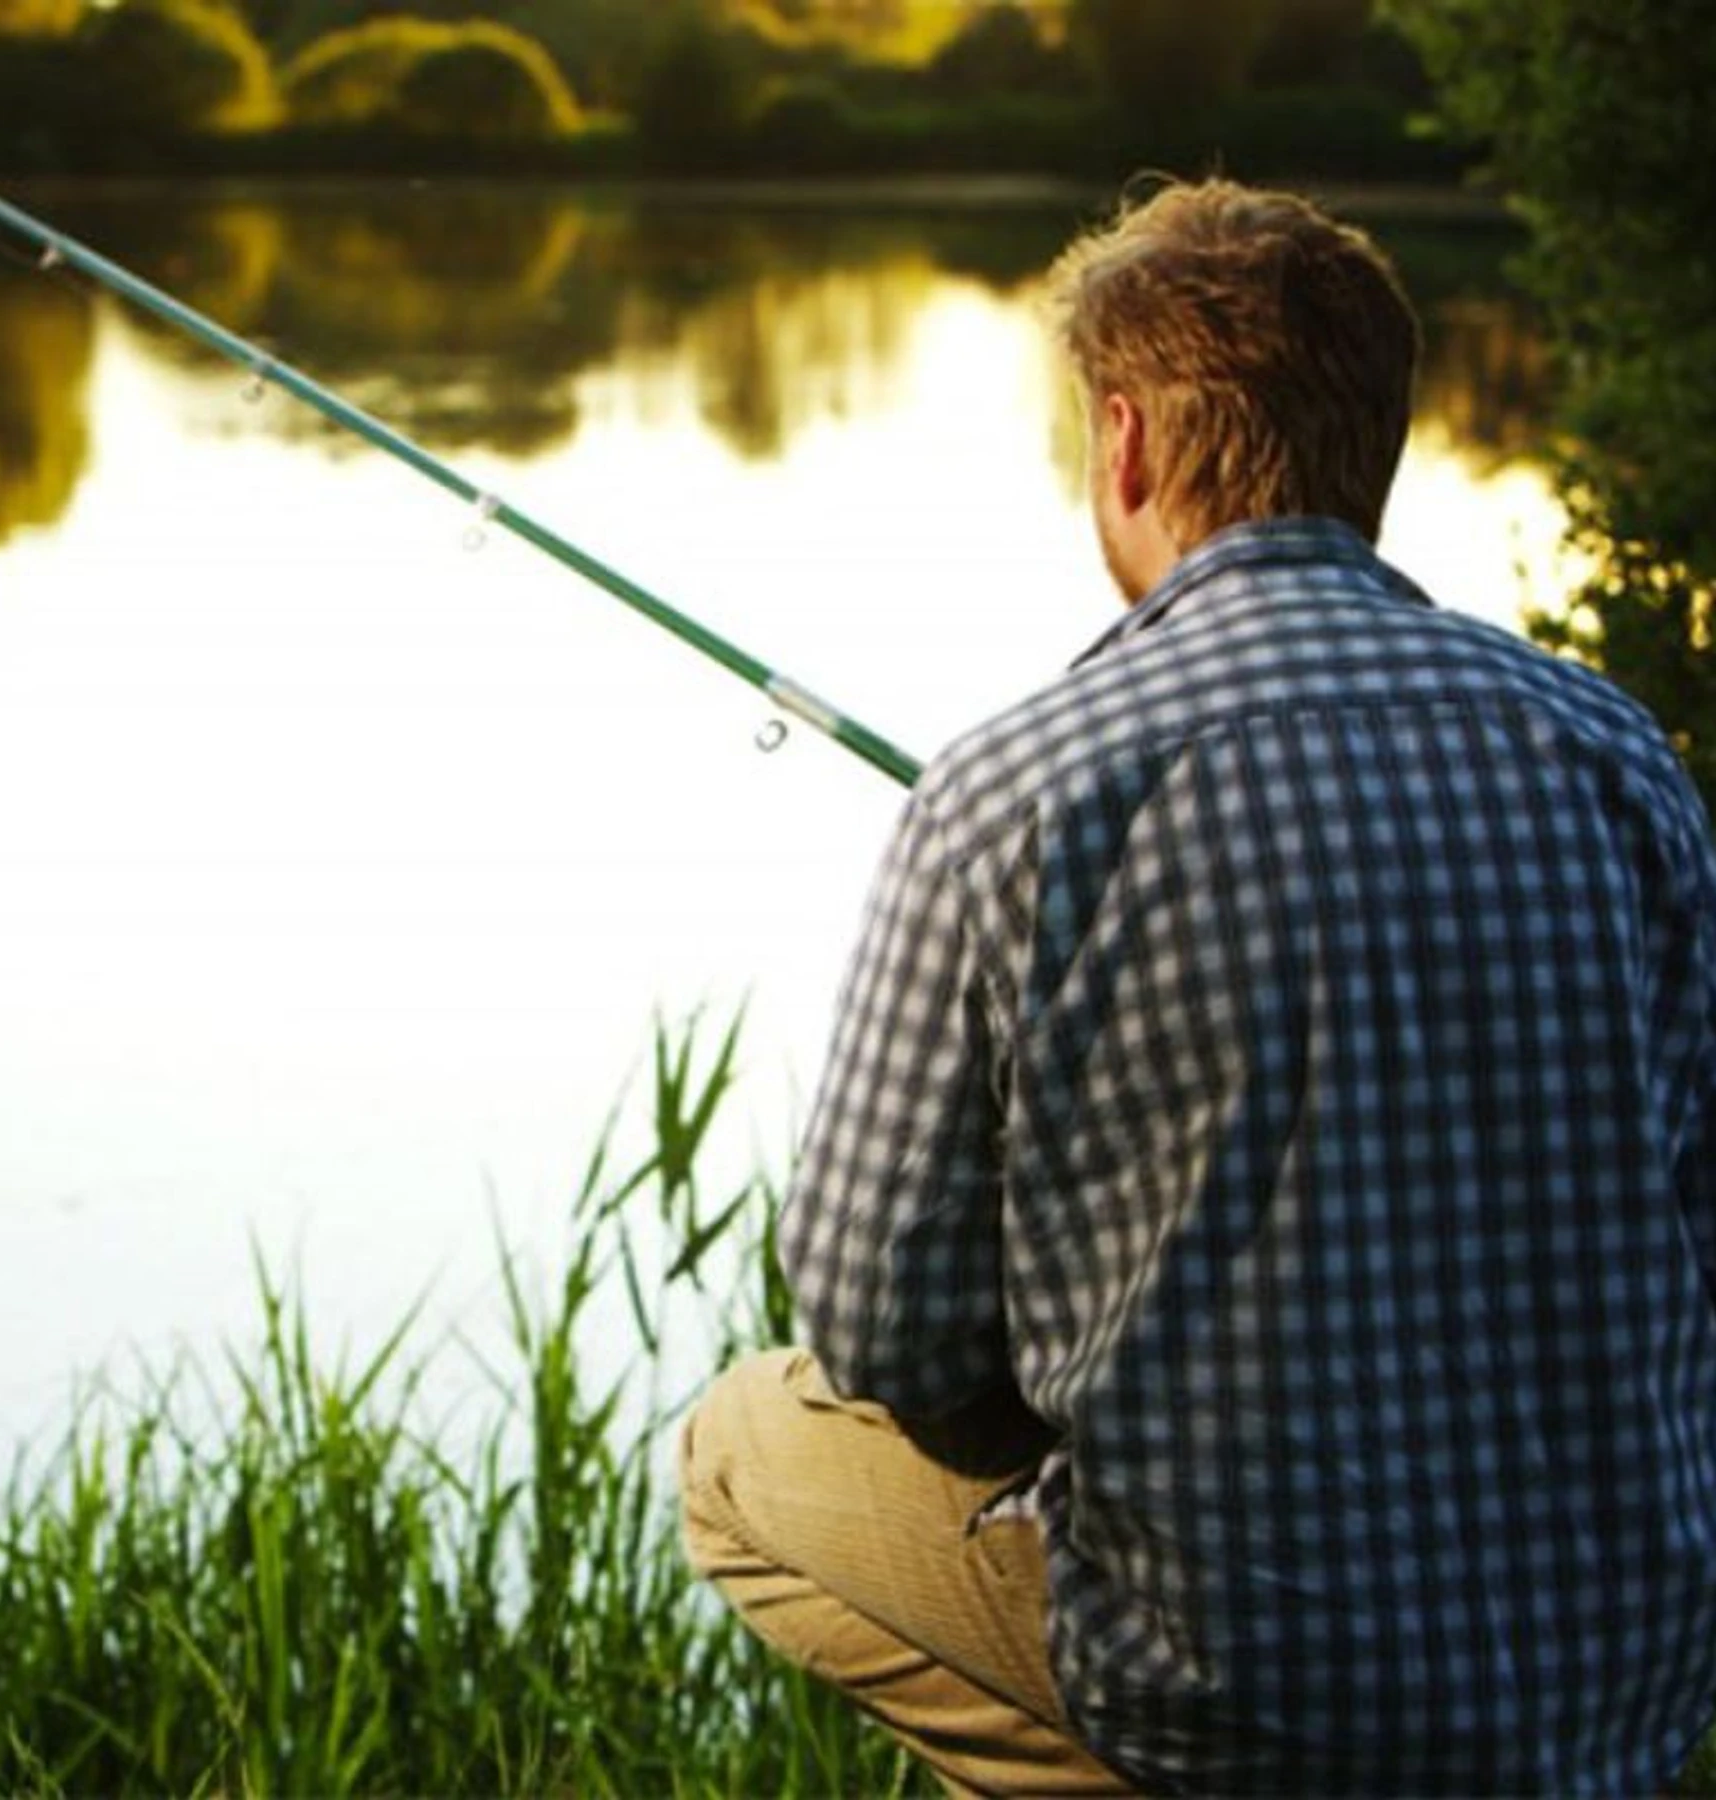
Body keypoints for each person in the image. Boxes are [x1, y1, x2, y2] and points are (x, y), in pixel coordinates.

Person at [678, 177, 1716, 1796]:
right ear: (1375, 447)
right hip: (1619, 1695)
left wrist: (1072, 1387)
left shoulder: (1013, 792)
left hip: (1239, 1700)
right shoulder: (1616, 756)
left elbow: (878, 1321)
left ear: (1128, 445)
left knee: (740, 1453)